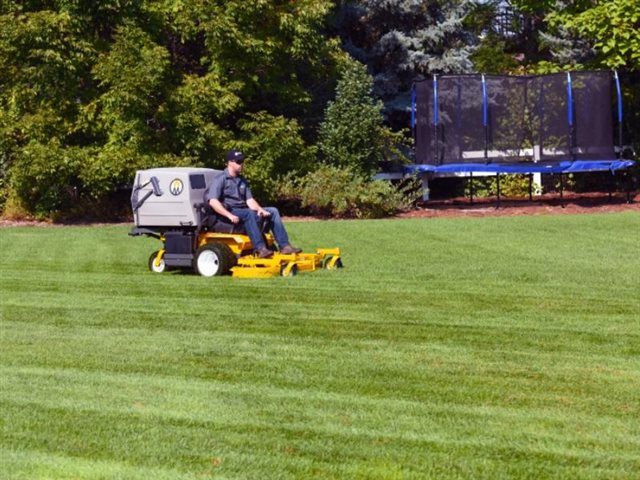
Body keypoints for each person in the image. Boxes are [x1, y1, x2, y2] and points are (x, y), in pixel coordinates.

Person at [205, 149, 302, 259]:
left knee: (273, 211)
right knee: (249, 213)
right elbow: (212, 201)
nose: (241, 164)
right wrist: (229, 215)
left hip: (244, 210)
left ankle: (285, 246)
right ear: (230, 162)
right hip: (229, 212)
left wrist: (260, 209)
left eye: (242, 161)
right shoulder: (220, 179)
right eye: (238, 162)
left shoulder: (242, 180)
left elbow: (249, 201)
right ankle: (260, 249)